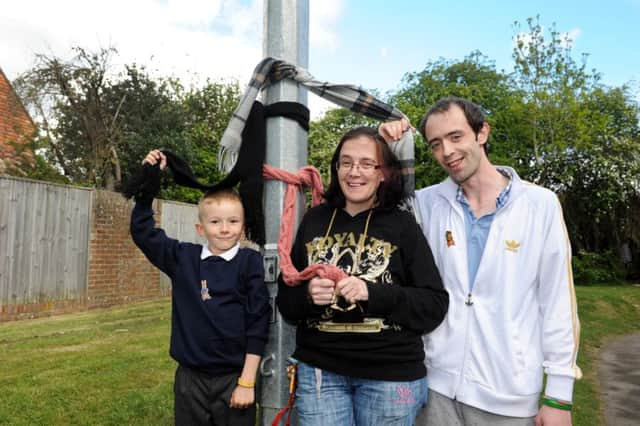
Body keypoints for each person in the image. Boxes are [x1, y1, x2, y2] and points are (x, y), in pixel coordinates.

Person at [379, 97, 581, 426]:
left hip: (510, 399)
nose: (447, 152)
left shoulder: (540, 204)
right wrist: (385, 149)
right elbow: (375, 214)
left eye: (456, 137)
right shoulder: (427, 204)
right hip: (434, 391)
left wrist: (559, 396)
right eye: (435, 144)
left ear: (482, 133)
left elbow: (557, 302)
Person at [276, 127, 449, 426]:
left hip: (391, 377)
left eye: (367, 164)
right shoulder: (315, 220)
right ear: (336, 168)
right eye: (346, 162)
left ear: (383, 173)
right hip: (321, 374)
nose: (354, 172)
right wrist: (307, 296)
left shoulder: (402, 225)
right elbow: (286, 302)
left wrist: (373, 293)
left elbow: (433, 305)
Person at [130, 150, 271, 426]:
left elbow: (258, 323)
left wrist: (247, 381)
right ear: (200, 227)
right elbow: (143, 233)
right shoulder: (184, 259)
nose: (224, 229)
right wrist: (148, 184)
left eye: (233, 221)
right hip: (190, 380)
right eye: (215, 222)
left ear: (243, 227)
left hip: (234, 379)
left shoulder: (250, 263)